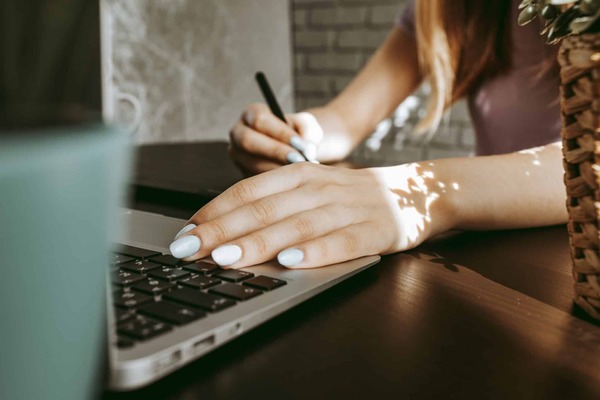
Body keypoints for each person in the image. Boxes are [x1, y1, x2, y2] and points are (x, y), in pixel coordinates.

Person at [169, 0, 567, 269]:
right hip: (492, 249)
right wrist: (298, 134)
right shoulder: (451, 7)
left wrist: (421, 194)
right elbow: (346, 118)